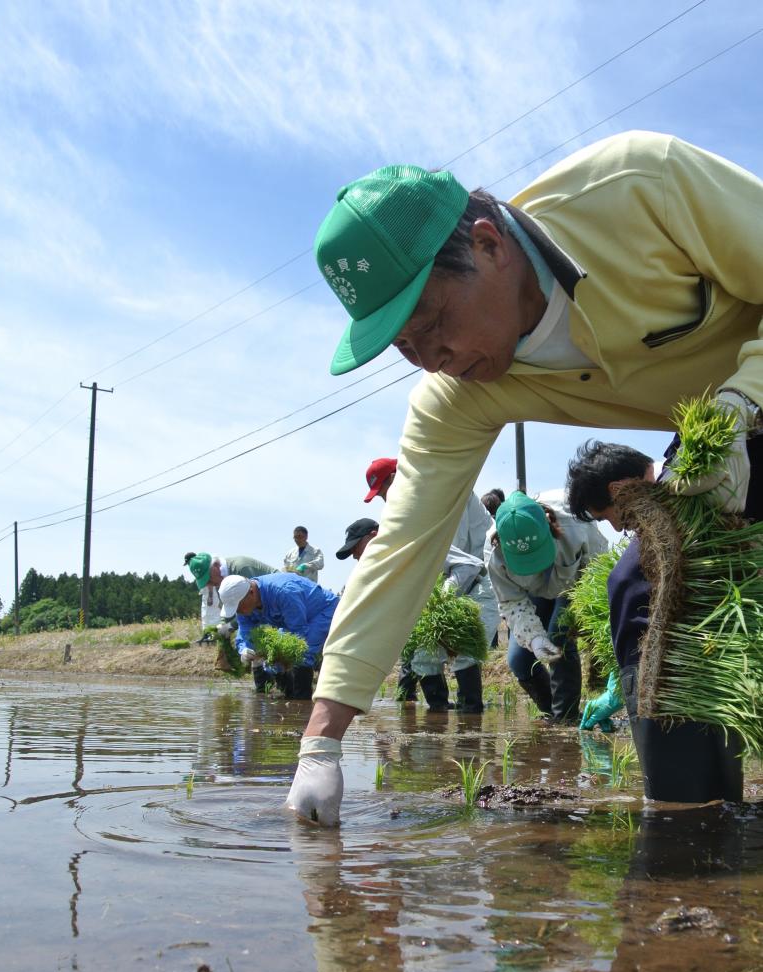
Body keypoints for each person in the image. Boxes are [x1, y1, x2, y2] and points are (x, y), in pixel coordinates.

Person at [287, 130, 763, 825]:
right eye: (406, 349)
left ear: (488, 244)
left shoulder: (639, 187)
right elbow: (403, 547)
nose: (433, 360)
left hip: (745, 403)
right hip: (720, 435)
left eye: (436, 323)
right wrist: (320, 745)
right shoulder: (456, 392)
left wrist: (743, 399)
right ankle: (693, 836)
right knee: (646, 588)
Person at [566, 440, 744, 803]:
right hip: (702, 674)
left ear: (618, 490)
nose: (616, 529)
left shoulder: (668, 525)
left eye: (606, 516)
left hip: (664, 682)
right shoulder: (686, 512)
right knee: (720, 801)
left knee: (673, 807)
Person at [363, 455, 497, 712]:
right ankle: (438, 720)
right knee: (423, 659)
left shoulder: (441, 496)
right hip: (458, 580)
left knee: (465, 652)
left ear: (396, 479)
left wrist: (440, 600)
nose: (385, 500)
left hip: (482, 578)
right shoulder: (417, 511)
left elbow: (464, 563)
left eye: (384, 492)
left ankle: (471, 722)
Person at [489, 491, 607, 721]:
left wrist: (586, 616)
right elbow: (512, 601)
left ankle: (566, 718)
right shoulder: (493, 553)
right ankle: (550, 712)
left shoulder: (576, 525)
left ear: (548, 525)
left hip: (573, 584)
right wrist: (534, 638)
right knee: (518, 659)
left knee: (558, 635)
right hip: (533, 592)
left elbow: (599, 572)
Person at [220, 573, 339, 701]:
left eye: (239, 606)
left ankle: (301, 701)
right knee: (273, 658)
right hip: (292, 619)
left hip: (322, 610)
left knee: (303, 652)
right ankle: (287, 697)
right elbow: (246, 631)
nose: (238, 611)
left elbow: (298, 633)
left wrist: (285, 657)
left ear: (251, 592)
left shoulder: (283, 592)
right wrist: (244, 649)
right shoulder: (244, 605)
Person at [184, 551, 277, 645]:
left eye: (208, 578)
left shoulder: (241, 568)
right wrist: (222, 625)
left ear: (215, 566)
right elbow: (227, 606)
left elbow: (252, 606)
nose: (209, 584)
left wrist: (231, 625)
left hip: (278, 601)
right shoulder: (219, 582)